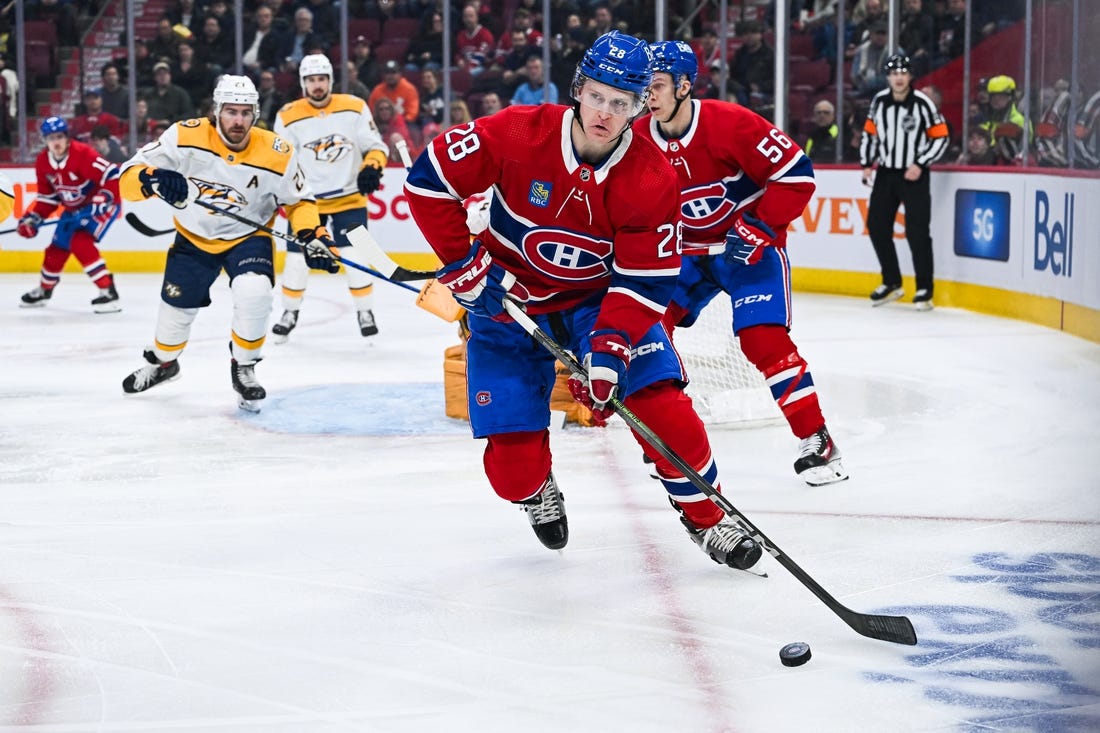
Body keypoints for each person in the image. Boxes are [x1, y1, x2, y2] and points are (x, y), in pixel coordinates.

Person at [402, 31, 763, 570]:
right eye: (597, 96)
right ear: (578, 88)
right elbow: (428, 181)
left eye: (621, 103)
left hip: (598, 300)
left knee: (663, 407)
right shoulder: (519, 131)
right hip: (506, 300)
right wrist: (462, 264)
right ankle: (535, 489)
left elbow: (644, 279)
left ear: (642, 105)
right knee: (512, 469)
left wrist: (610, 349)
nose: (605, 113)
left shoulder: (651, 175)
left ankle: (707, 518)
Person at [638, 41, 847, 487]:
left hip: (746, 251)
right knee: (645, 331)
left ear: (684, 85)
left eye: (656, 86)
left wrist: (757, 227)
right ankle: (668, 434)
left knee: (761, 339)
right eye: (644, 87)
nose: (648, 96)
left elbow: (796, 174)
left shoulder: (729, 123)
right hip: (687, 256)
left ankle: (817, 438)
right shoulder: (637, 139)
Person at [117, 75, 338, 410]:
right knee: (174, 317)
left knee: (255, 294)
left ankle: (244, 367)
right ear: (216, 111)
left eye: (245, 112)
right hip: (194, 238)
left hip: (249, 237)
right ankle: (164, 363)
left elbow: (300, 201)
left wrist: (312, 234)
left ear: (255, 113)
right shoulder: (184, 135)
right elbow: (127, 178)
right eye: (231, 111)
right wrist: (153, 178)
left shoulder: (277, 151)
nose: (238, 120)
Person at [271, 54, 389, 342]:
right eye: (311, 80)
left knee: (354, 256)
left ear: (330, 81)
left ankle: (365, 311)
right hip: (307, 203)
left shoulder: (354, 107)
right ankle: (289, 312)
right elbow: (282, 161)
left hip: (350, 198)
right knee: (297, 260)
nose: (317, 85)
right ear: (303, 83)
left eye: (322, 79)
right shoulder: (287, 115)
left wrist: (372, 165)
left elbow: (376, 146)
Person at [859, 53, 949, 310]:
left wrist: (920, 163)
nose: (898, 78)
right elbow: (870, 134)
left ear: (910, 76)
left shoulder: (923, 103)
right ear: (888, 77)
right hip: (886, 173)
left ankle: (924, 289)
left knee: (917, 232)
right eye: (894, 73)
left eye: (903, 73)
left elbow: (941, 137)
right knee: (876, 225)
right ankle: (892, 282)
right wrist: (867, 164)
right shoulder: (879, 101)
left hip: (914, 175)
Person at [17, 117, 123, 313]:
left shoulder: (83, 154)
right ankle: (44, 290)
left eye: (59, 137)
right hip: (74, 209)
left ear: (66, 137)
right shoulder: (43, 162)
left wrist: (104, 198)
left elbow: (112, 175)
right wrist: (33, 218)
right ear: (45, 141)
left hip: (100, 205)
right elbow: (48, 198)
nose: (55, 142)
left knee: (80, 242)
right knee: (57, 247)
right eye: (50, 138)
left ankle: (108, 291)